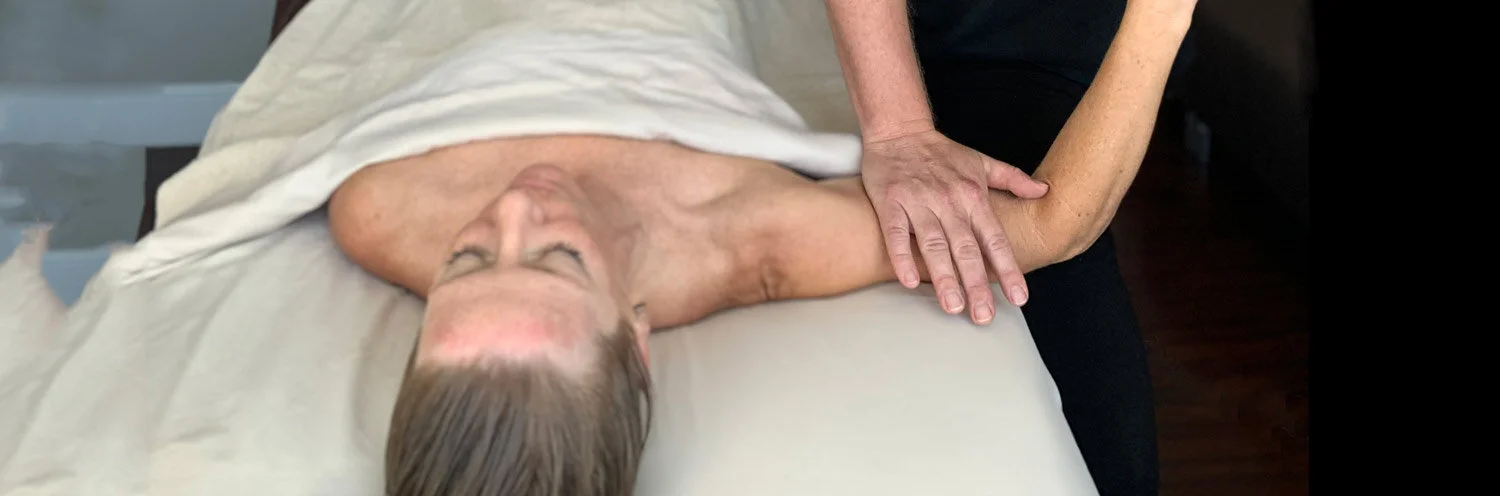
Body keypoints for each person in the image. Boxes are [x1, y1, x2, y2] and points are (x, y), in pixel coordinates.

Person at [328, 0, 1195, 493]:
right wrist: (1160, 17)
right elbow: (1054, 226)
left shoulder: (375, 211)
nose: (519, 204)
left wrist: (896, 122)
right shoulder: (740, 243)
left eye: (467, 258)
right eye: (561, 258)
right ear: (635, 338)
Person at [821, 1, 1194, 493]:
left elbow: (1053, 228)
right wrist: (898, 129)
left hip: (1089, 63)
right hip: (978, 62)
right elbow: (1048, 227)